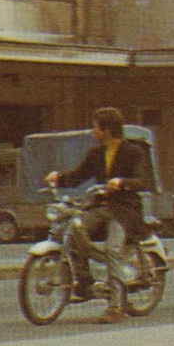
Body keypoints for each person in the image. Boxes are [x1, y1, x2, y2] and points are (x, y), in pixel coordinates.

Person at [44, 107, 148, 323]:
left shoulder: (133, 151)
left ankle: (115, 306)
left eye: (95, 127)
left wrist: (121, 182)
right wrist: (58, 178)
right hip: (101, 207)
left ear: (106, 130)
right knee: (73, 229)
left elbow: (141, 180)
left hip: (124, 210)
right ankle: (85, 281)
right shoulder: (96, 154)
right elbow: (78, 175)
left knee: (112, 249)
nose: (92, 131)